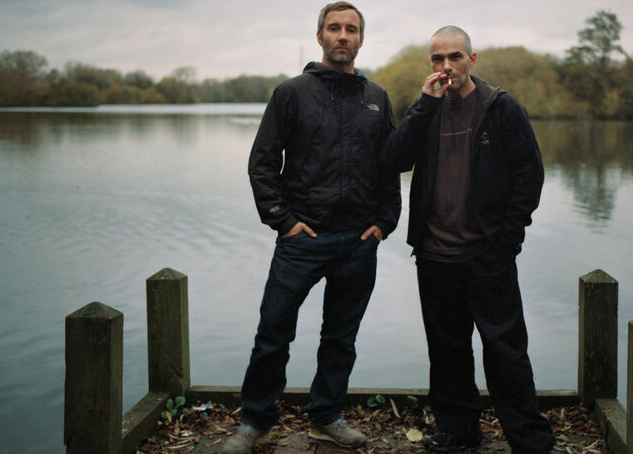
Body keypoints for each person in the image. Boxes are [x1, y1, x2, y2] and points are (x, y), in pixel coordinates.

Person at [219, 2, 400, 453]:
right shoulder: (291, 93)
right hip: (302, 240)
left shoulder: (377, 97)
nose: (343, 36)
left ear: (361, 38)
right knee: (272, 333)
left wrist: (384, 222)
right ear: (320, 36)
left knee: (341, 338)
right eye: (334, 28)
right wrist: (283, 221)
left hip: (358, 242)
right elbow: (262, 163)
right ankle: (256, 422)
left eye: (351, 29)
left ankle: (326, 417)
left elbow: (389, 167)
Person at [382, 26, 556, 453]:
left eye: (454, 57)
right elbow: (392, 159)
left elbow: (529, 177)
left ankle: (529, 439)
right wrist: (424, 105)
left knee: (505, 351)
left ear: (471, 60)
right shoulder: (426, 109)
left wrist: (507, 241)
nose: (446, 67)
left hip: (487, 254)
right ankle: (459, 431)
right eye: (437, 59)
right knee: (447, 351)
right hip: (434, 255)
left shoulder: (501, 108)